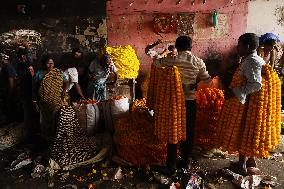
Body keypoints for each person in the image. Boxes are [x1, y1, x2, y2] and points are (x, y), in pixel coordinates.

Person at [151, 36, 211, 173]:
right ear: (191, 47)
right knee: (188, 131)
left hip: (173, 102)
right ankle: (186, 162)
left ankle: (171, 164)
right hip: (190, 101)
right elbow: (207, 80)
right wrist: (194, 83)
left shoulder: (173, 60)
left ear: (177, 47)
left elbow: (156, 64)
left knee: (173, 130)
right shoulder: (198, 61)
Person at [216, 33, 267, 174]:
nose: (237, 47)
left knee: (242, 130)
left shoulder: (252, 61)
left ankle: (241, 165)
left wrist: (235, 92)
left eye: (239, 45)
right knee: (248, 132)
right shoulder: (252, 59)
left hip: (248, 104)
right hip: (250, 102)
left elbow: (256, 84)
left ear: (247, 46)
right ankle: (250, 161)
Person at [33, 55, 67, 142]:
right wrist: (35, 102)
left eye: (52, 63)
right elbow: (34, 88)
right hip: (44, 101)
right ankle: (47, 137)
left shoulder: (58, 72)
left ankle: (57, 137)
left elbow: (65, 81)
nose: (51, 65)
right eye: (48, 63)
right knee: (46, 120)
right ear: (44, 64)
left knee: (57, 117)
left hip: (57, 100)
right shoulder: (39, 74)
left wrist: (64, 90)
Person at [15, 47, 35, 131]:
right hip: (27, 91)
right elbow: (31, 78)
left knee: (28, 112)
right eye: (28, 55)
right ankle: (28, 132)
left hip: (25, 91)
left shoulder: (19, 64)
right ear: (23, 56)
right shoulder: (24, 66)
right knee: (28, 112)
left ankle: (29, 130)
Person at [0, 52, 18, 124]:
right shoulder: (5, 67)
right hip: (5, 90)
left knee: (8, 105)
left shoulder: (8, 67)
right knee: (6, 106)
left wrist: (11, 92)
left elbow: (11, 79)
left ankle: (10, 121)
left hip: (8, 91)